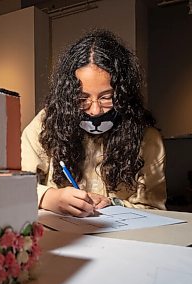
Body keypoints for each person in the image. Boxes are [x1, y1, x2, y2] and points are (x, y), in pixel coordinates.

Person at [21, 29, 166, 218]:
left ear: (123, 94)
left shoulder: (147, 138)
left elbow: (155, 209)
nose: (95, 110)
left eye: (107, 97)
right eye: (82, 98)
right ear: (68, 96)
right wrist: (48, 197)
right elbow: (12, 188)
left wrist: (114, 204)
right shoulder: (45, 124)